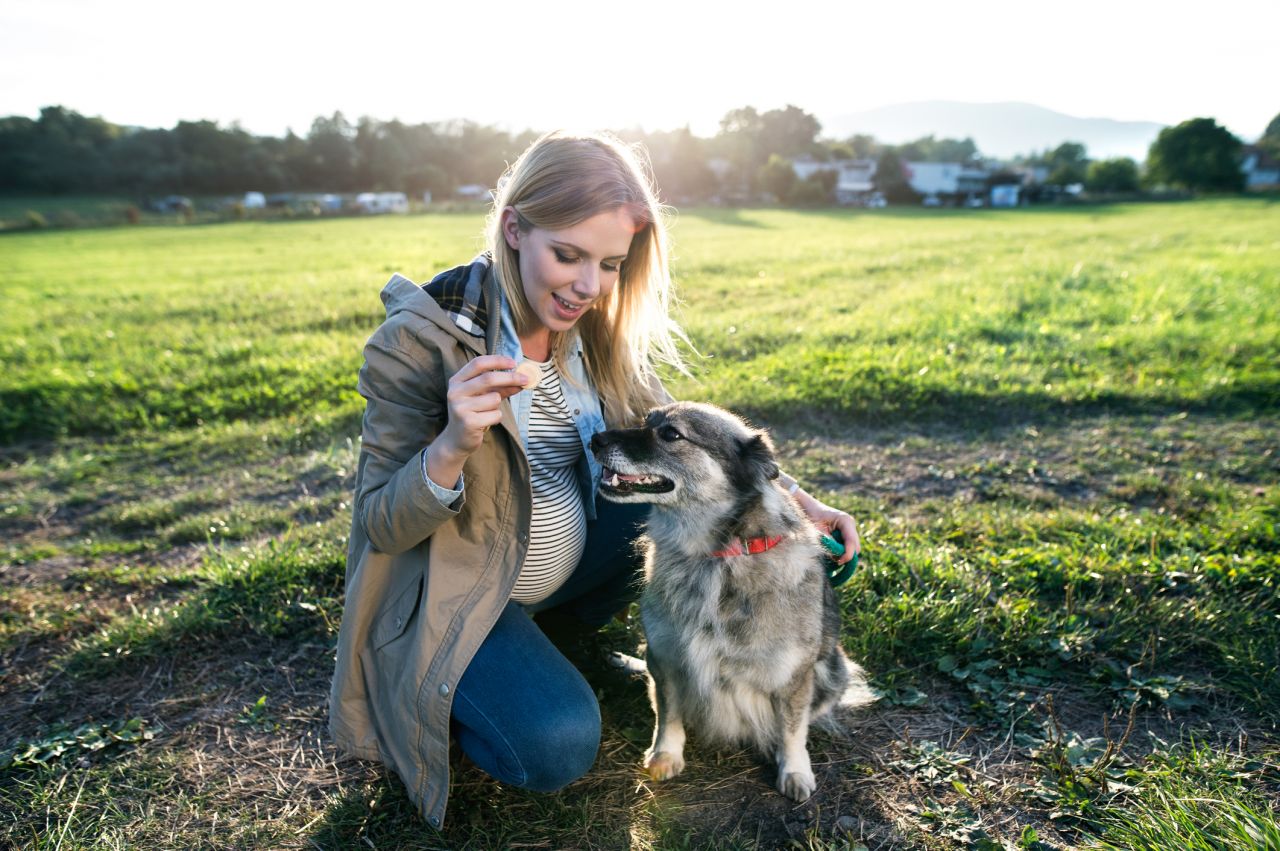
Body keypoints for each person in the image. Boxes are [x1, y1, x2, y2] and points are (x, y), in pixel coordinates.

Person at [328, 130, 860, 828]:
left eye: (610, 263)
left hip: (569, 576)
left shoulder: (592, 328)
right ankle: (446, 685)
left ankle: (557, 640)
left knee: (689, 499)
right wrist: (451, 445)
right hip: (461, 599)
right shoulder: (417, 343)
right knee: (558, 743)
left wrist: (793, 499)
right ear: (514, 229)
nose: (588, 286)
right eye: (568, 255)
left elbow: (687, 449)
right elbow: (378, 523)